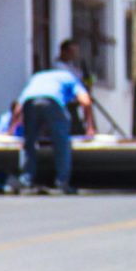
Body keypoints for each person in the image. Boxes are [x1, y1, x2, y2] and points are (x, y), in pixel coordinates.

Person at [17, 39, 88, 194]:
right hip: (53, 102)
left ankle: (26, 180)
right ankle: (62, 182)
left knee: (29, 142)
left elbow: (18, 106)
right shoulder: (69, 76)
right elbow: (85, 101)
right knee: (61, 142)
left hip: (30, 102)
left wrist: (10, 129)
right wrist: (91, 126)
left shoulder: (39, 77)